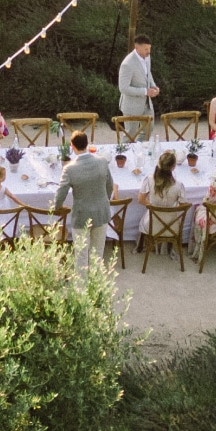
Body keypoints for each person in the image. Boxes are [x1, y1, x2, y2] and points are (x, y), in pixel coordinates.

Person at [54, 131, 115, 282]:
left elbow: (61, 192)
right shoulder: (102, 162)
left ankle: (81, 289)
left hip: (81, 214)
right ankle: (96, 286)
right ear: (87, 144)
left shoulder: (70, 168)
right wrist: (103, 200)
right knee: (98, 252)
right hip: (101, 212)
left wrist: (57, 207)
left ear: (72, 146)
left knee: (81, 254)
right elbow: (110, 185)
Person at [138, 149, 185, 239]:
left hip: (151, 225)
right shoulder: (179, 185)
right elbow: (183, 205)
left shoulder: (149, 180)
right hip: (172, 225)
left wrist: (154, 207)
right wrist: (169, 209)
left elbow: (141, 199)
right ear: (173, 167)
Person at [118, 36, 159, 124]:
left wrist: (154, 86)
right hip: (132, 106)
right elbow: (123, 88)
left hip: (147, 104)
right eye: (146, 49)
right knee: (131, 135)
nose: (149, 51)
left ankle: (141, 139)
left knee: (148, 131)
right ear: (137, 48)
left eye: (149, 48)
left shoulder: (147, 57)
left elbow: (148, 73)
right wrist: (145, 92)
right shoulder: (127, 64)